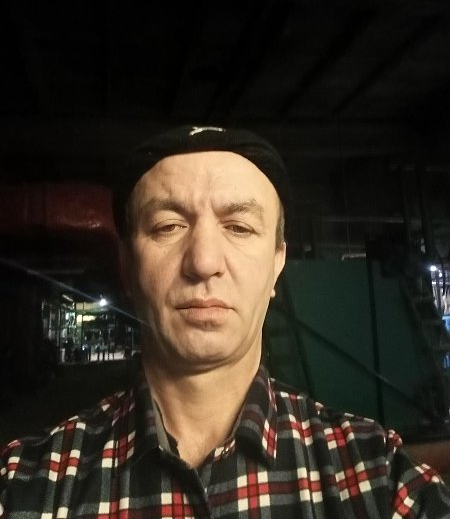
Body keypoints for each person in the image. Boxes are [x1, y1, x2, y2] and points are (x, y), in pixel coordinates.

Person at [1, 124, 450, 518]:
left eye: (239, 227)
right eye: (167, 226)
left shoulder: (380, 478)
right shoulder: (24, 486)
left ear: (277, 263)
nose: (203, 262)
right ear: (127, 265)